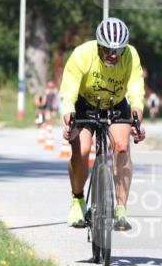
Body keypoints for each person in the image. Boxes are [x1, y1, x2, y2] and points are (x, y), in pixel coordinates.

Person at [60, 18, 146, 231]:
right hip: (84, 104)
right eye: (107, 48)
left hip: (116, 105)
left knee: (122, 146)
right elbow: (68, 94)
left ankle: (121, 208)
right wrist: (69, 118)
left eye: (118, 49)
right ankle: (78, 200)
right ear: (98, 44)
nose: (113, 54)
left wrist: (136, 119)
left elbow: (136, 91)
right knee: (81, 150)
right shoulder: (81, 54)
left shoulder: (131, 56)